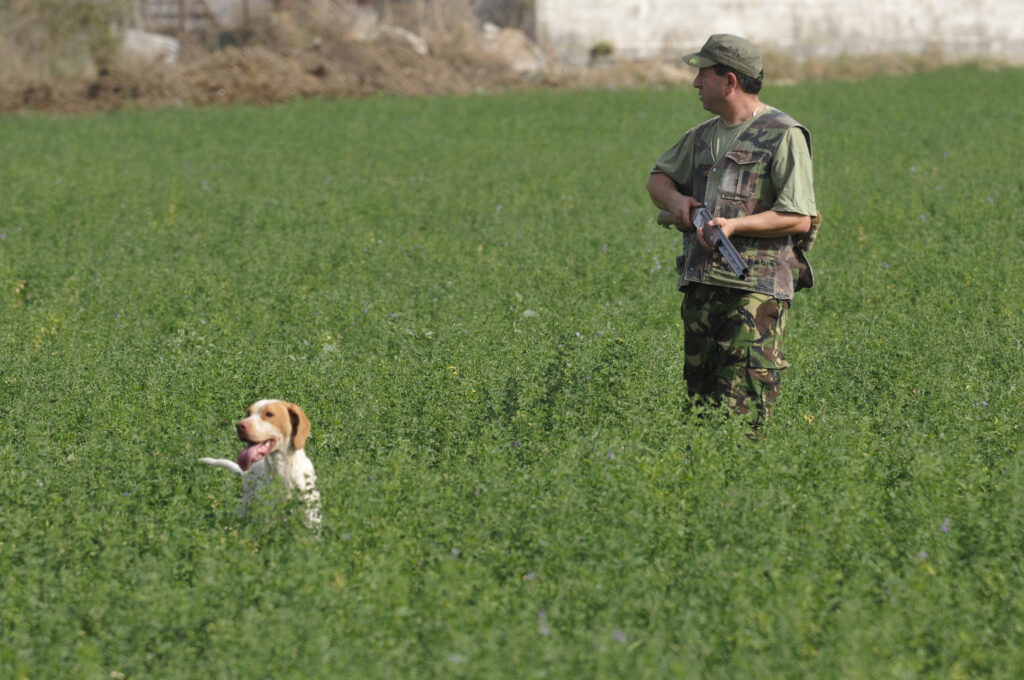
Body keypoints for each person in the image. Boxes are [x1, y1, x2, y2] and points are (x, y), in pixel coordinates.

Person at [646, 34, 820, 427]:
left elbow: (798, 217)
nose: (695, 83)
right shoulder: (702, 136)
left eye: (703, 74)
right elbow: (657, 179)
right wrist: (677, 203)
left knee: (744, 416)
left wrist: (735, 224)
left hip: (754, 293)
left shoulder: (783, 134)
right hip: (702, 289)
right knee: (701, 413)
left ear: (730, 81)